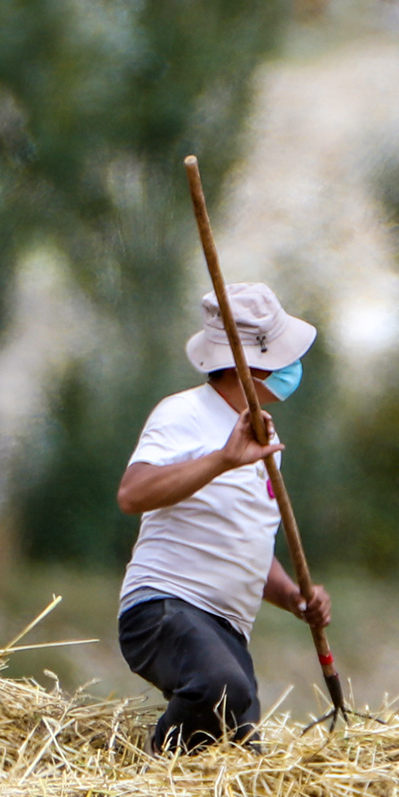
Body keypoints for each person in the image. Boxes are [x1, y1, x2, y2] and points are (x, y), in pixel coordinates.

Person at [114, 278, 333, 752]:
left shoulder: (263, 441)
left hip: (225, 629)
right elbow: (132, 494)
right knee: (221, 690)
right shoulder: (183, 414)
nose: (292, 369)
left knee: (237, 751)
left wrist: (295, 596)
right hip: (165, 609)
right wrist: (222, 460)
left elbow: (248, 546)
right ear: (246, 365)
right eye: (279, 359)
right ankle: (151, 774)